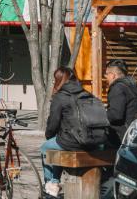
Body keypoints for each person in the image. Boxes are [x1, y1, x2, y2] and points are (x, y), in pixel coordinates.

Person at [40, 67, 103, 198]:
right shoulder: (86, 93)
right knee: (57, 147)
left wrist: (49, 136)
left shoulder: (60, 97)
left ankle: (51, 184)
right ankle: (54, 182)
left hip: (72, 142)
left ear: (58, 80)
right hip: (93, 141)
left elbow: (53, 123)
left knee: (46, 147)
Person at [105, 59, 137, 146]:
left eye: (107, 74)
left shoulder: (117, 88)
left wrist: (101, 115)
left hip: (122, 136)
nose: (106, 77)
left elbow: (116, 115)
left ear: (113, 75)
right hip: (133, 132)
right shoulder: (131, 85)